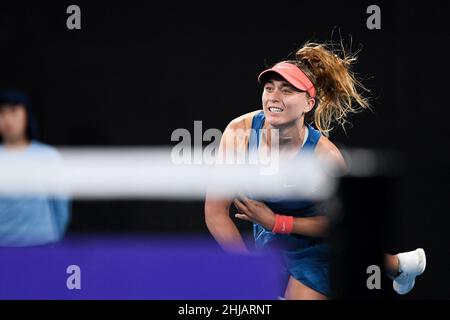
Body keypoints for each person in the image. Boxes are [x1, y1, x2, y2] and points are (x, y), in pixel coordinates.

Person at [204, 42, 426, 299]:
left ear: (308, 104)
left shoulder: (326, 157)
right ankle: (401, 265)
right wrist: (246, 268)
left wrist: (278, 222)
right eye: (269, 88)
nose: (274, 96)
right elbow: (215, 212)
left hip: (316, 243)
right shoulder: (239, 133)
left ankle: (399, 265)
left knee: (355, 244)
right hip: (270, 237)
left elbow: (341, 227)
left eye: (287, 90)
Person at [0, 89, 70, 246]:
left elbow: (60, 206)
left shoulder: (48, 156)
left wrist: (52, 238)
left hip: (42, 245)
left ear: (26, 115)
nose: (7, 119)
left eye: (14, 112)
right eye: (2, 113)